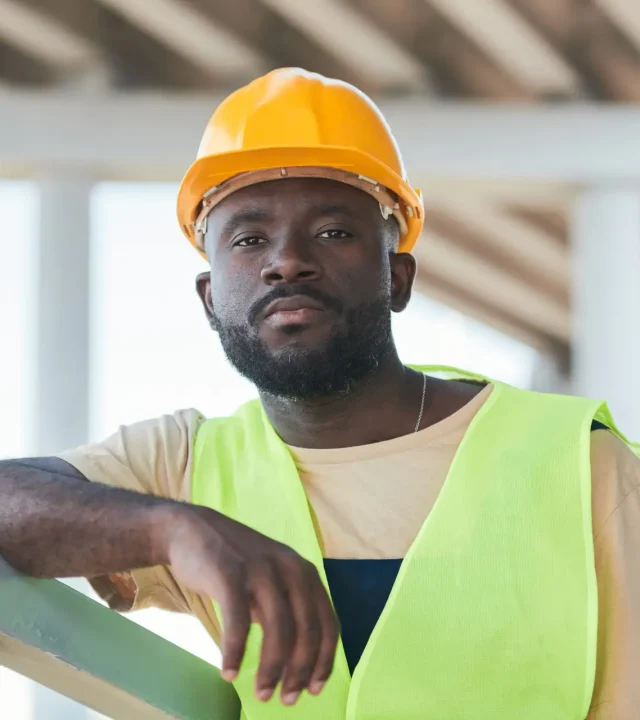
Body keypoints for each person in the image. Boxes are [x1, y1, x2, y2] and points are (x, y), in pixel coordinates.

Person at [1, 67, 640, 720]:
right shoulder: (183, 464)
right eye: (249, 239)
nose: (287, 260)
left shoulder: (583, 466)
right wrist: (170, 529)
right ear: (210, 298)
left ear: (397, 277)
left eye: (334, 232)